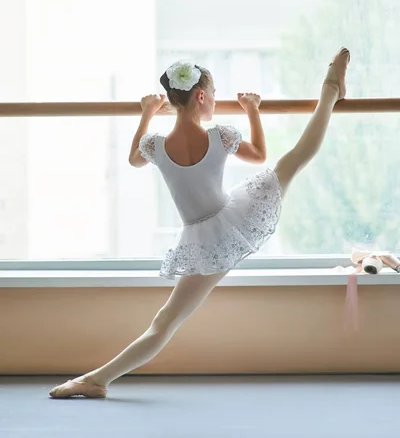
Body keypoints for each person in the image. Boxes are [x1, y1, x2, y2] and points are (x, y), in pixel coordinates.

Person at [49, 47, 350, 398]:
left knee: (164, 323)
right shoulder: (220, 135)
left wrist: (146, 114)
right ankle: (330, 90)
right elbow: (260, 156)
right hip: (233, 218)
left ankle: (97, 379)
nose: (215, 104)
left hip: (205, 239)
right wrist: (253, 111)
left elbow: (133, 160)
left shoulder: (155, 145)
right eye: (215, 96)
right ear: (202, 96)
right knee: (294, 158)